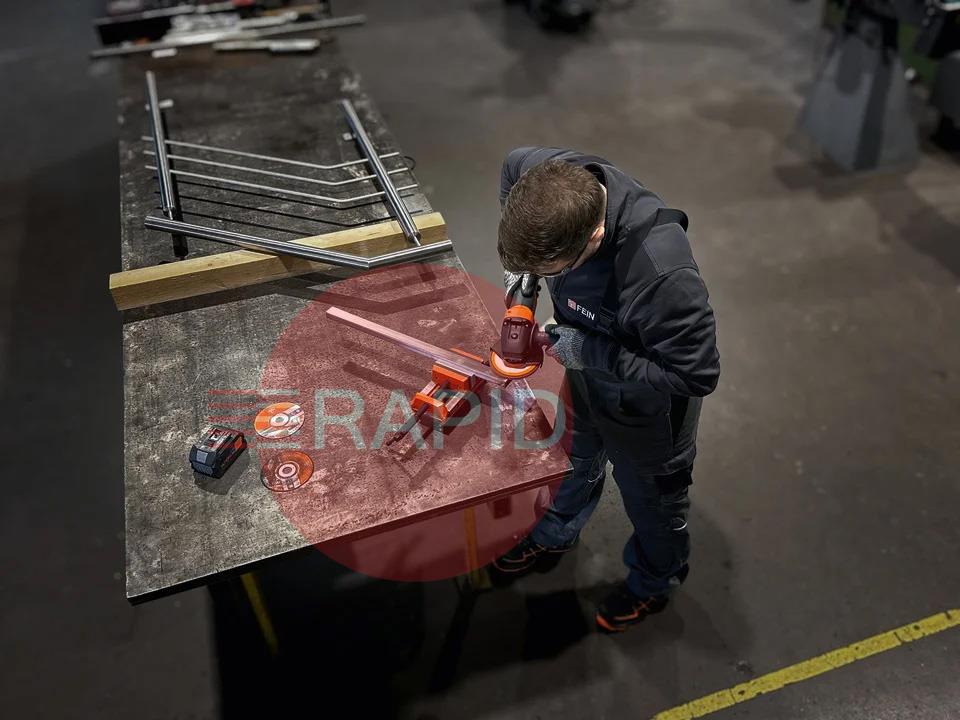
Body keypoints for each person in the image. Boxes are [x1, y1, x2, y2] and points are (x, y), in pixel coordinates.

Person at [493, 147, 720, 633]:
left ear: (594, 237)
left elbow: (696, 374)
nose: (550, 280)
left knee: (654, 507)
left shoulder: (661, 275)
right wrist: (525, 277)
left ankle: (653, 582)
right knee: (572, 461)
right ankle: (556, 532)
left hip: (647, 412)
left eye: (554, 270)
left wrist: (590, 351)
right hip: (584, 375)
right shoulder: (551, 176)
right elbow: (512, 165)